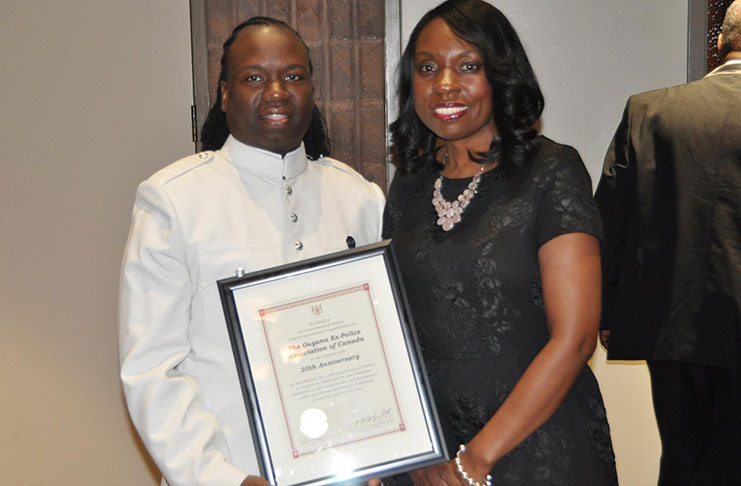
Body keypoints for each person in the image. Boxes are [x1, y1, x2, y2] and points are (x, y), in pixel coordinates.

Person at [118, 17, 385, 486]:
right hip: (226, 472)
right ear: (224, 94)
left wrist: (381, 456)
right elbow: (151, 369)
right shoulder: (174, 199)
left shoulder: (361, 199)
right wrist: (225, 479)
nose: (277, 91)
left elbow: (384, 351)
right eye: (254, 77)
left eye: (294, 76)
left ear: (312, 90)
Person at [381, 1, 617, 485]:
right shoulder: (406, 185)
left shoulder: (552, 171)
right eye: (428, 68)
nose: (445, 84)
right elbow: (394, 334)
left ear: (500, 75)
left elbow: (574, 339)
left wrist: (476, 459)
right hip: (432, 454)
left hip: (538, 441)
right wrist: (418, 454)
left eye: (468, 65)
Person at [595, 2, 741, 484]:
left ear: (720, 43)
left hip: (672, 327)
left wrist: (609, 310)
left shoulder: (650, 110)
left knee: (684, 461)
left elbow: (609, 218)